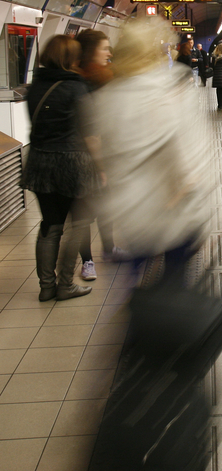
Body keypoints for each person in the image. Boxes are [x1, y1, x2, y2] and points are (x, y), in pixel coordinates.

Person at [89, 17, 211, 277]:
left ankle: (139, 309)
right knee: (175, 283)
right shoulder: (166, 88)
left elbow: (101, 149)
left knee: (139, 284)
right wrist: (188, 189)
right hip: (172, 213)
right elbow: (184, 155)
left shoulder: (107, 95)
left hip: (133, 215)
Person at [21, 35, 94, 301]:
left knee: (50, 225)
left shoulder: (34, 87)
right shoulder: (77, 87)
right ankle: (65, 284)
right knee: (79, 223)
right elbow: (90, 131)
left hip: (39, 162)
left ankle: (46, 286)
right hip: (71, 163)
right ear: (71, 59)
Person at [74, 29, 117, 280]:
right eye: (104, 48)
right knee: (83, 213)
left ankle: (110, 248)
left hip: (105, 152)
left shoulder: (104, 78)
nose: (109, 53)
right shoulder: (79, 83)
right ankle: (87, 260)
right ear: (91, 52)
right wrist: (100, 165)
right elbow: (89, 130)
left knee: (107, 205)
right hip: (84, 157)